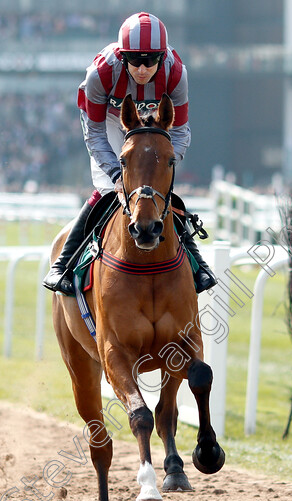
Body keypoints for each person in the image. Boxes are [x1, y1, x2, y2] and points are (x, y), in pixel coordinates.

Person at [42, 11, 217, 296]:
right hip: (113, 119)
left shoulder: (176, 73)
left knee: (158, 189)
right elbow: (95, 134)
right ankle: (62, 263)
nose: (143, 68)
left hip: (157, 124)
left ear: (163, 57)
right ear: (123, 57)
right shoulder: (100, 74)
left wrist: (167, 165)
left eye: (151, 59)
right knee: (109, 189)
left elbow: (181, 131)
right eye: (135, 59)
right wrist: (115, 173)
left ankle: (198, 264)